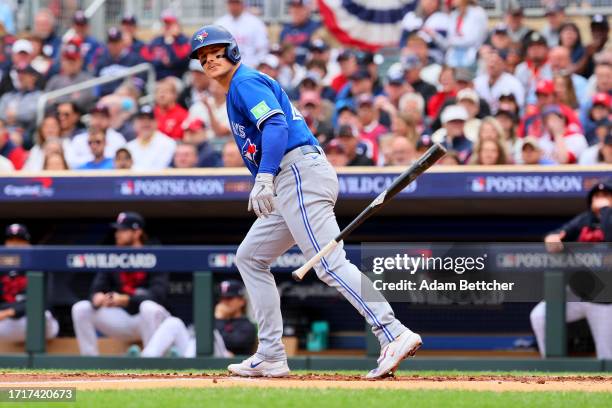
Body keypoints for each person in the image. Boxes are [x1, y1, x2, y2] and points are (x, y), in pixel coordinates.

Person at [190, 25, 421, 378]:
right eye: (203, 56)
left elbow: (276, 125)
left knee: (328, 264)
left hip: (295, 172)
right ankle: (270, 353)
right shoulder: (238, 89)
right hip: (292, 178)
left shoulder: (245, 82)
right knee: (250, 257)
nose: (210, 59)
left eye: (217, 51)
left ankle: (393, 332)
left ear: (234, 51)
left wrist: (265, 175)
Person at [530, 181, 612, 359]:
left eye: (606, 196)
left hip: (605, 299)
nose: (600, 200)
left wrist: (606, 211)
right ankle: (552, 368)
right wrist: (552, 238)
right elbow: (560, 233)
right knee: (540, 316)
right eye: (597, 197)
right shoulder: (584, 220)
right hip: (579, 291)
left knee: (607, 356)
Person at [71, 212, 170, 356]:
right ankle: (90, 364)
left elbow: (158, 296)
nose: (118, 234)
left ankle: (153, 362)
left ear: (137, 233)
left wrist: (126, 299)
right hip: (122, 319)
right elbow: (97, 288)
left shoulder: (154, 256)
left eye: (123, 230)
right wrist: (98, 297)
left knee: (149, 308)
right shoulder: (114, 256)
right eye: (117, 230)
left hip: (149, 320)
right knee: (81, 308)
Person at [141, 279, 256, 358]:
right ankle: (146, 359)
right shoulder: (216, 319)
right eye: (222, 298)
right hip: (196, 354)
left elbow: (234, 343)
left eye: (229, 298)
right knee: (173, 323)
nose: (224, 302)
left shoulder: (247, 325)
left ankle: (184, 359)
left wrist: (219, 318)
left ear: (241, 301)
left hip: (225, 361)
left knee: (207, 333)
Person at [0, 224, 59, 343]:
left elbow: (43, 302)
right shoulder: (2, 269)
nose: (14, 244)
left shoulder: (40, 266)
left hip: (36, 320)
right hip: (8, 324)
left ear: (28, 244)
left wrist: (11, 311)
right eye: (11, 240)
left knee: (41, 315)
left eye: (19, 240)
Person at [66, 104, 126, 169]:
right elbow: (70, 162)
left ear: (109, 119)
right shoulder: (79, 139)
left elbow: (123, 161)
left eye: (102, 117)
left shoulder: (117, 138)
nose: (98, 121)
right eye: (95, 117)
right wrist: (94, 160)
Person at [44, 39, 95, 112]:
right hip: (55, 117)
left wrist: (56, 100)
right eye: (67, 60)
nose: (70, 63)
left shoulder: (87, 79)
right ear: (62, 61)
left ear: (80, 61)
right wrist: (70, 98)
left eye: (73, 60)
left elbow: (81, 103)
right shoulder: (55, 80)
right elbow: (45, 101)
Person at [215, 0, 269, 67]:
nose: (234, 6)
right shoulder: (220, 23)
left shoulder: (256, 23)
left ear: (243, 4)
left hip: (250, 66)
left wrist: (257, 65)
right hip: (227, 67)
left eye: (236, 3)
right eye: (231, 3)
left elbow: (262, 48)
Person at [139, 10, 191, 79]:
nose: (167, 26)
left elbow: (178, 62)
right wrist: (160, 61)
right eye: (165, 23)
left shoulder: (183, 40)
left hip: (176, 78)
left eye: (170, 23)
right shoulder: (156, 40)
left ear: (177, 24)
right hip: (156, 79)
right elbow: (144, 57)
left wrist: (170, 42)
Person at [94, 27, 143, 96]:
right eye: (111, 42)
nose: (114, 45)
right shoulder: (102, 60)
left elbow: (139, 83)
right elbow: (95, 82)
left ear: (122, 42)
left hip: (126, 99)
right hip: (105, 98)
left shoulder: (134, 59)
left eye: (116, 42)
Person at [126, 105, 176, 170]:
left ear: (157, 122)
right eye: (142, 119)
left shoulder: (168, 143)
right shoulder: (128, 147)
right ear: (135, 123)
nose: (146, 123)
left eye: (150, 119)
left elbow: (160, 168)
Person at [443, 0, 488, 69]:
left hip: (473, 57)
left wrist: (454, 41)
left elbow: (474, 39)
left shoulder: (478, 12)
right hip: (452, 59)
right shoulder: (453, 15)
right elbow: (449, 40)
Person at [279, 0, 321, 65]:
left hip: (308, 66)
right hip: (288, 67)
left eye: (300, 9)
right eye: (294, 9)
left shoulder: (316, 27)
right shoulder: (285, 29)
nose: (297, 12)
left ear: (308, 10)